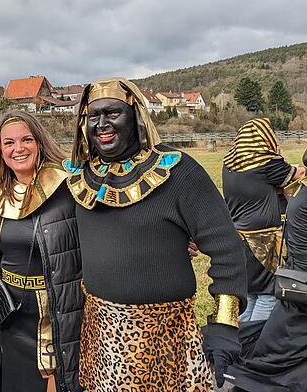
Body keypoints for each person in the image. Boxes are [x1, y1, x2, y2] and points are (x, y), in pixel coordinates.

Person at [64, 78, 246, 391]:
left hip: (167, 337)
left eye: (112, 113)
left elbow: (227, 248)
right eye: (93, 117)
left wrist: (225, 323)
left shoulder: (179, 171)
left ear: (135, 116)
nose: (102, 124)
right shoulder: (80, 177)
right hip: (99, 334)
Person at [0, 111, 83, 392]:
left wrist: (170, 240)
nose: (18, 148)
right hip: (9, 312)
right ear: (0, 150)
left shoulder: (68, 188)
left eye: (26, 139)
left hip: (52, 312)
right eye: (8, 143)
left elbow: (111, 223)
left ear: (39, 142)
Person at [227, 149, 307, 391]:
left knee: (253, 296)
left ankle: (242, 342)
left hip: (243, 239)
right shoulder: (270, 168)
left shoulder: (231, 165)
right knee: (263, 297)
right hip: (265, 245)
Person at [222, 118, 304, 322]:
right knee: (268, 293)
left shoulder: (229, 164)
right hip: (263, 241)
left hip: (238, 237)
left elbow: (256, 185)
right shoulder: (266, 162)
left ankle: (243, 340)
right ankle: (257, 340)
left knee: (249, 294)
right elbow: (297, 174)